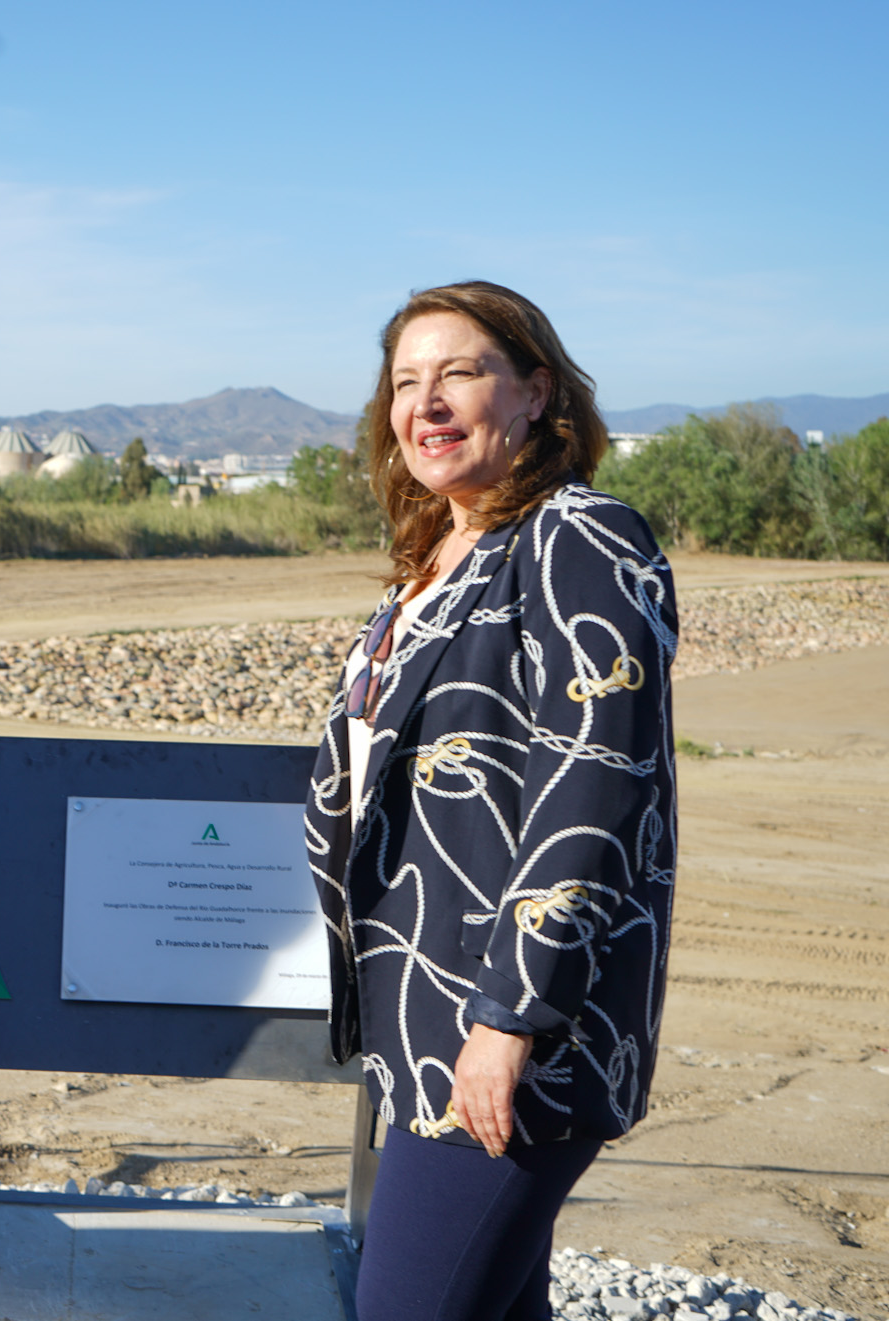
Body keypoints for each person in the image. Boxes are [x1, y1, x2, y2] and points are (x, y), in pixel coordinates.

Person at [305, 282, 677, 1321]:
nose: (425, 402)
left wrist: (512, 1017)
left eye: (460, 372)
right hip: (424, 1015)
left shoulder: (582, 537)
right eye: (405, 381)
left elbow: (595, 779)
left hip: (517, 1027)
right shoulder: (429, 564)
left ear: (535, 391)